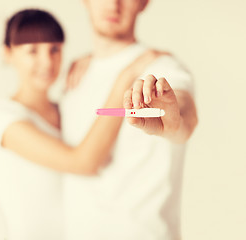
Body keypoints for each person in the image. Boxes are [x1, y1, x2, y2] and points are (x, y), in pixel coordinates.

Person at [0, 8, 154, 240]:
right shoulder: (3, 117)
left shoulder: (65, 106)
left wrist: (95, 62)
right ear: (8, 53)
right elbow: (83, 162)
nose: (47, 61)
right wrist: (126, 77)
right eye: (32, 51)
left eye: (54, 49)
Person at [60, 0, 198, 240]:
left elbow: (185, 119)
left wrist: (171, 121)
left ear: (144, 3)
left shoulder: (164, 68)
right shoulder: (72, 76)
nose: (114, 5)